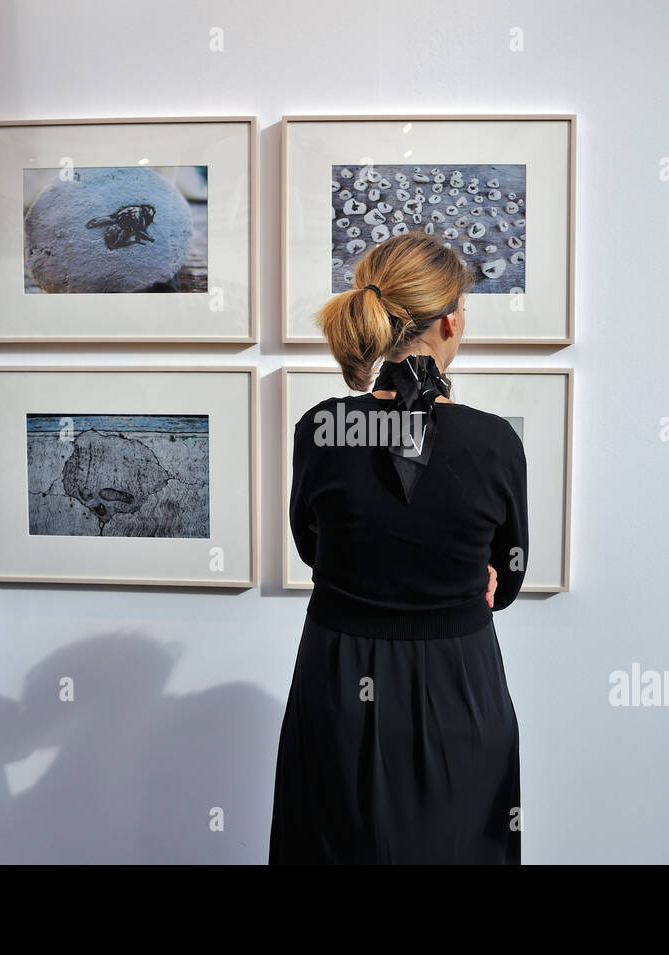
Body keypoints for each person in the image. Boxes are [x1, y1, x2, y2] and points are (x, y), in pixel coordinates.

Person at [269, 232, 528, 864]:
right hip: (459, 686)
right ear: (450, 322)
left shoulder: (322, 428)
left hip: (339, 679)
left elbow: (312, 547)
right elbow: (509, 577)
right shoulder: (494, 442)